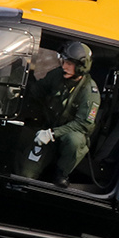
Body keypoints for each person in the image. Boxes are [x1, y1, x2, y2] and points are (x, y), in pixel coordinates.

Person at [17, 42, 100, 182]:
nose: (64, 66)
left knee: (75, 140)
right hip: (45, 130)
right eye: (64, 62)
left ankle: (61, 173)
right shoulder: (57, 75)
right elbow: (37, 91)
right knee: (26, 174)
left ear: (81, 66)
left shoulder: (89, 93)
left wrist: (53, 133)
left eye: (70, 63)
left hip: (64, 135)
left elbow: (83, 124)